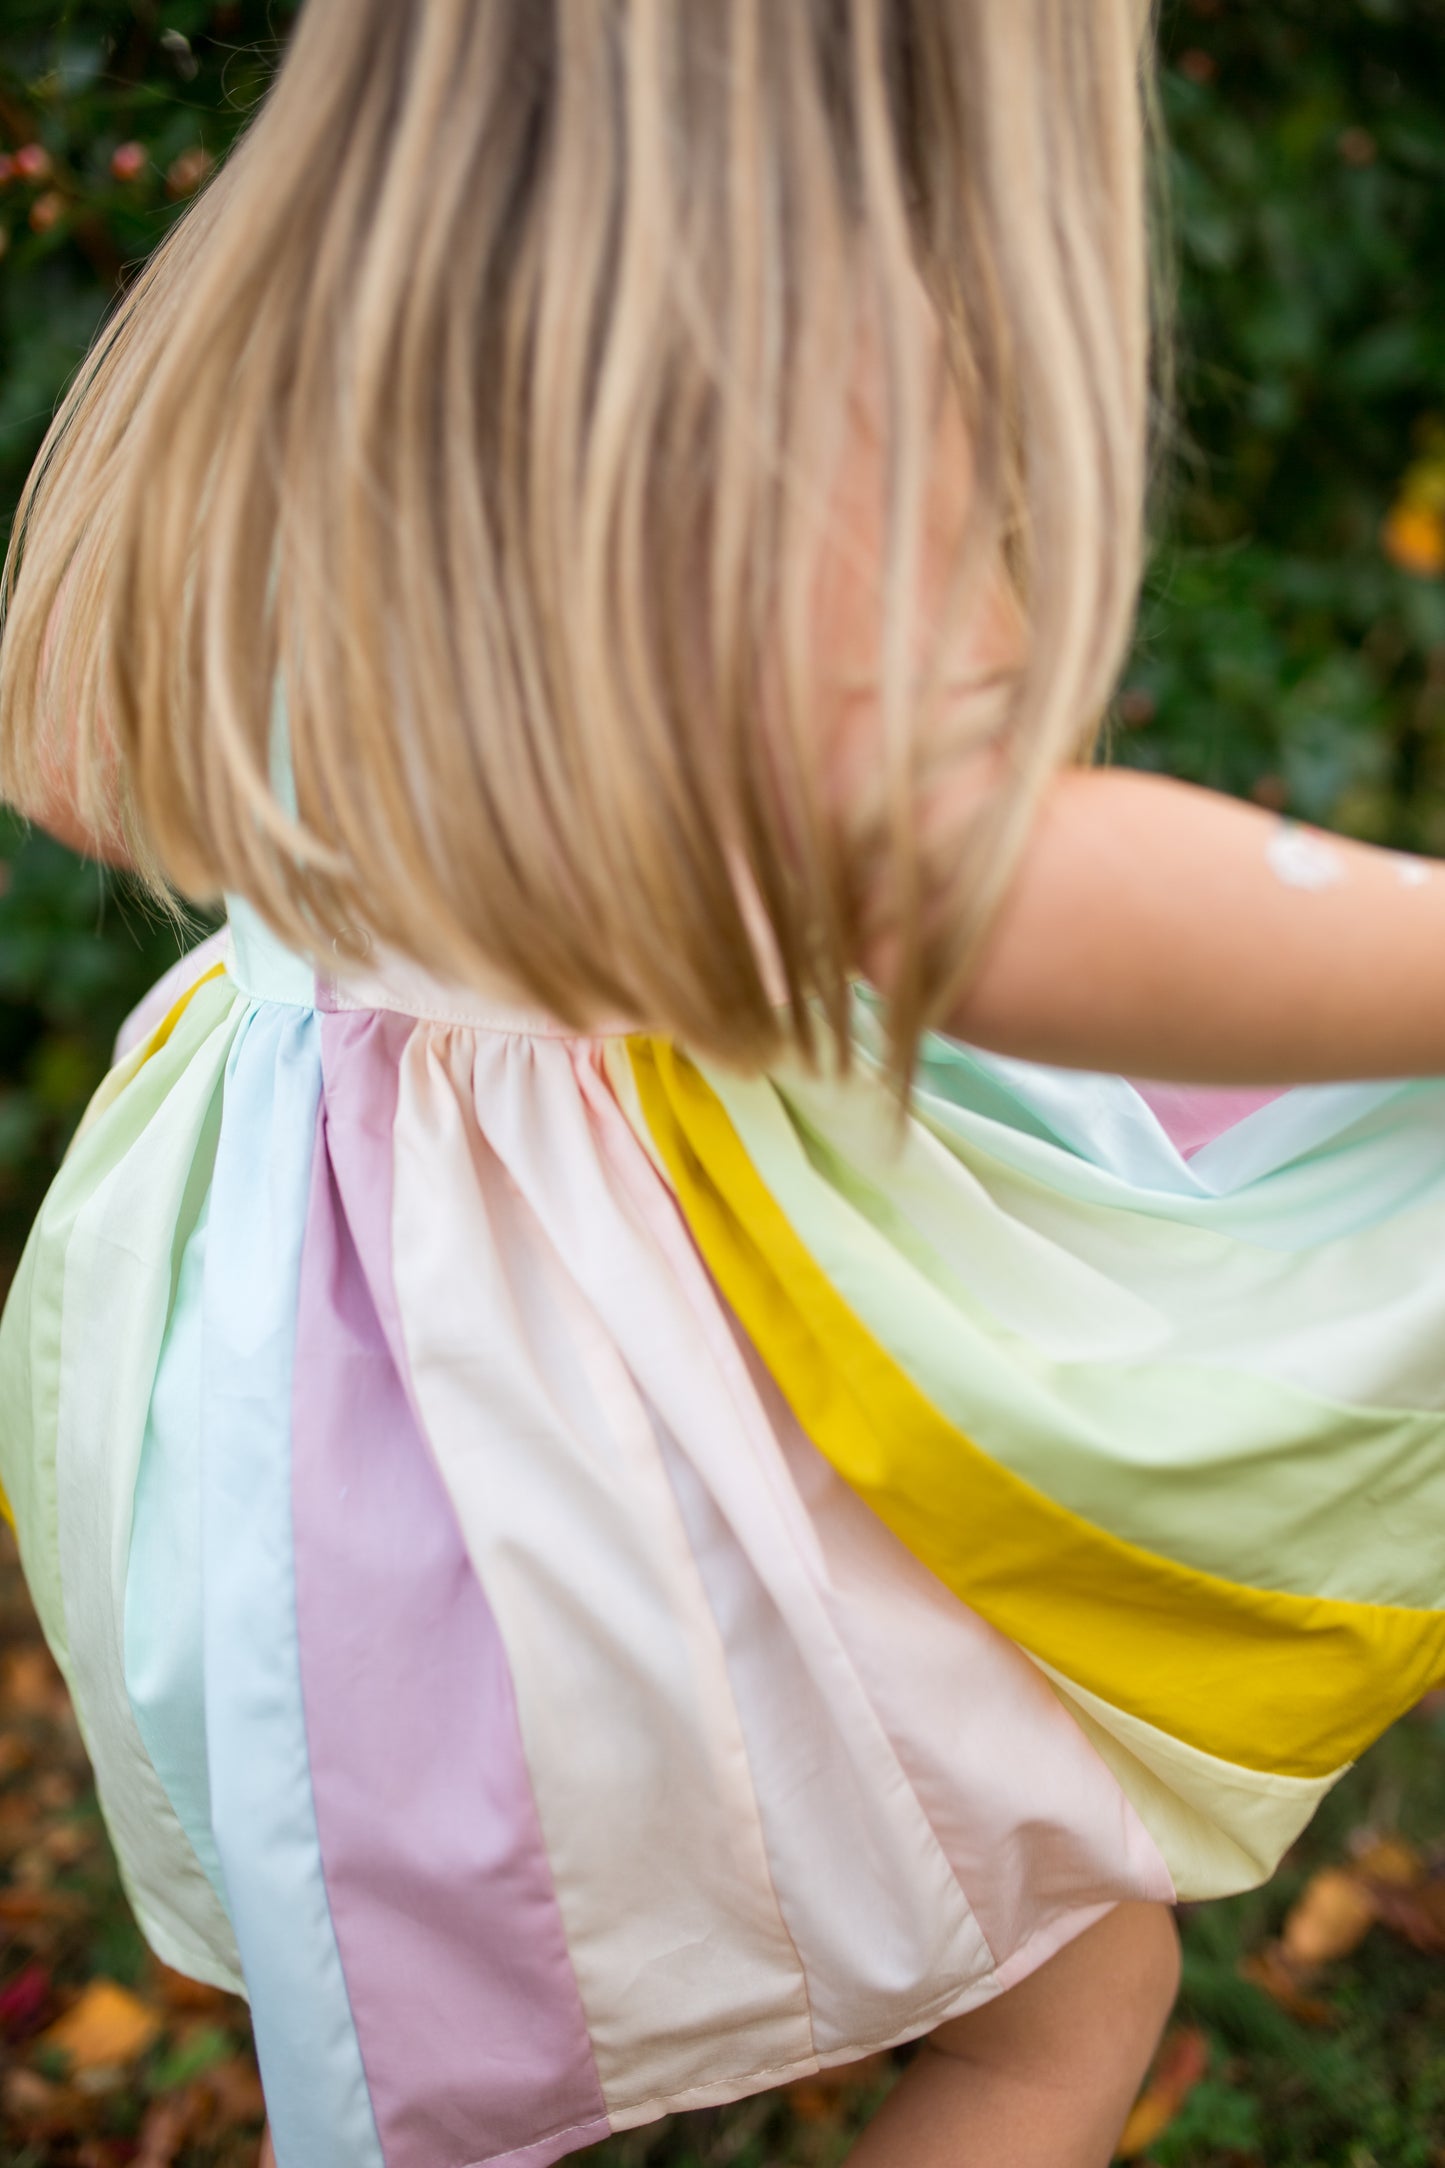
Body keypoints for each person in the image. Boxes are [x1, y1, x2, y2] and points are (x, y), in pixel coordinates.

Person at [1, 4, 1443, 2165]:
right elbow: (965, 882)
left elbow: (81, 762)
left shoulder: (289, 306)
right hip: (590, 1409)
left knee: (440, 2115)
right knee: (1062, 2005)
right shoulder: (793, 347)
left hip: (273, 1409)